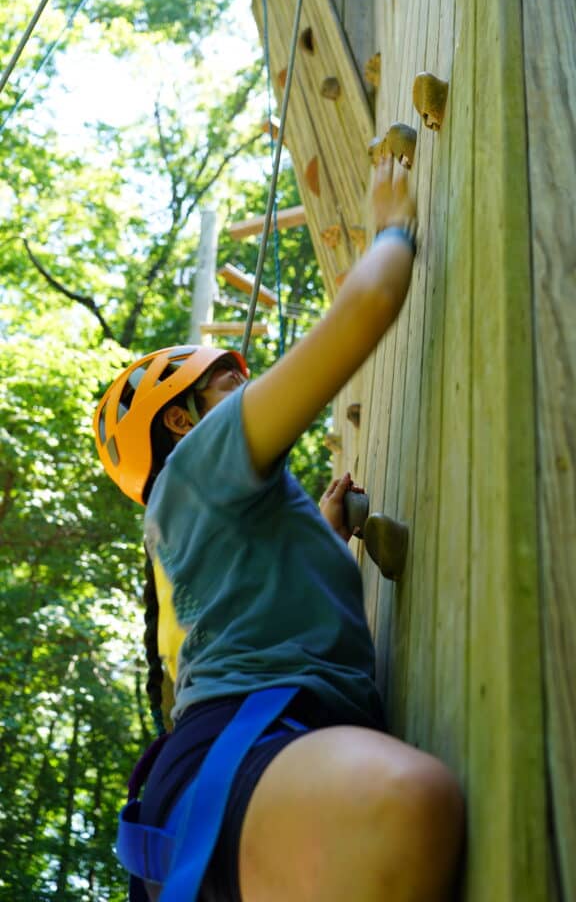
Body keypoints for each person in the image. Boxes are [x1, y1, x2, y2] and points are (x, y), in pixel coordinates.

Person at [94, 156, 464, 902]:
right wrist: (393, 223)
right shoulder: (203, 460)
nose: (250, 386)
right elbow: (367, 306)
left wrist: (320, 535)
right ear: (181, 417)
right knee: (402, 804)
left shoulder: (196, 513)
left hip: (233, 778)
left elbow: (258, 599)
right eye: (228, 381)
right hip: (238, 759)